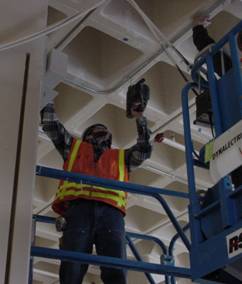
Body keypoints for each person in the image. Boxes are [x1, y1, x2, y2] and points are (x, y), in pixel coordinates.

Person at [40, 81, 152, 284]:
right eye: (98, 130)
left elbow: (144, 150)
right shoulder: (73, 148)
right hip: (78, 211)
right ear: (87, 137)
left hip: (111, 215)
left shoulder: (121, 157)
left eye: (105, 131)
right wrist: (44, 88)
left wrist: (139, 117)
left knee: (115, 273)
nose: (104, 132)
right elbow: (50, 125)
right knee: (71, 270)